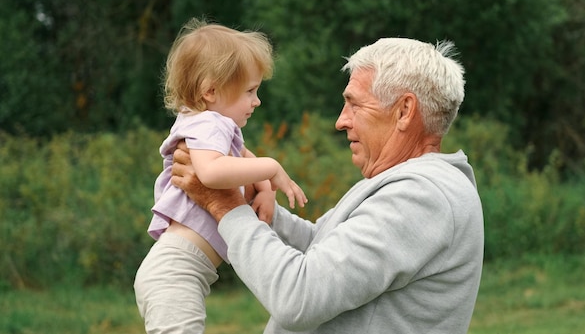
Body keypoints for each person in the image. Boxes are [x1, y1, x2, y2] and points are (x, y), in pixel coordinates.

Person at [172, 37, 484, 333]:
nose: (341, 120)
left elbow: (298, 298)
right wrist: (255, 202)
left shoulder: (421, 196)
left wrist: (224, 205)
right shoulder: (400, 183)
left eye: (355, 104)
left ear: (404, 111)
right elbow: (319, 247)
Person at [134, 18, 307, 334]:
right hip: (177, 270)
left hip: (178, 269)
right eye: (250, 91)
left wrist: (265, 190)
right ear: (211, 91)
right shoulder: (210, 125)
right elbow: (211, 173)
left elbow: (242, 158)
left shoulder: (207, 125)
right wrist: (271, 167)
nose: (257, 101)